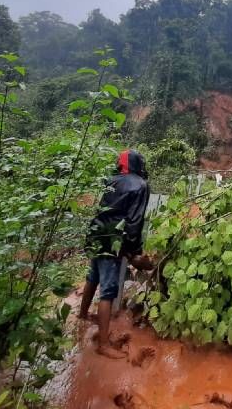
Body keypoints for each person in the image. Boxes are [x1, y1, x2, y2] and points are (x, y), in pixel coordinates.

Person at [79, 149, 150, 359]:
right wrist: (134, 252)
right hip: (114, 239)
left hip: (96, 234)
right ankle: (103, 343)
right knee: (108, 291)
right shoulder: (140, 185)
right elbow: (135, 221)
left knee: (93, 276)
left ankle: (83, 314)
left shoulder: (110, 180)